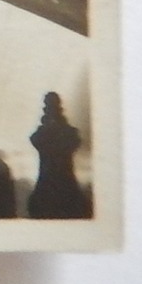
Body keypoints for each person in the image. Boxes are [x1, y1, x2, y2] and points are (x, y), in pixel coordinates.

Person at [28, 91, 90, 219]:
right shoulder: (68, 132)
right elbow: (75, 141)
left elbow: (34, 140)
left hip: (46, 182)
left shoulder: (43, 133)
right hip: (66, 181)